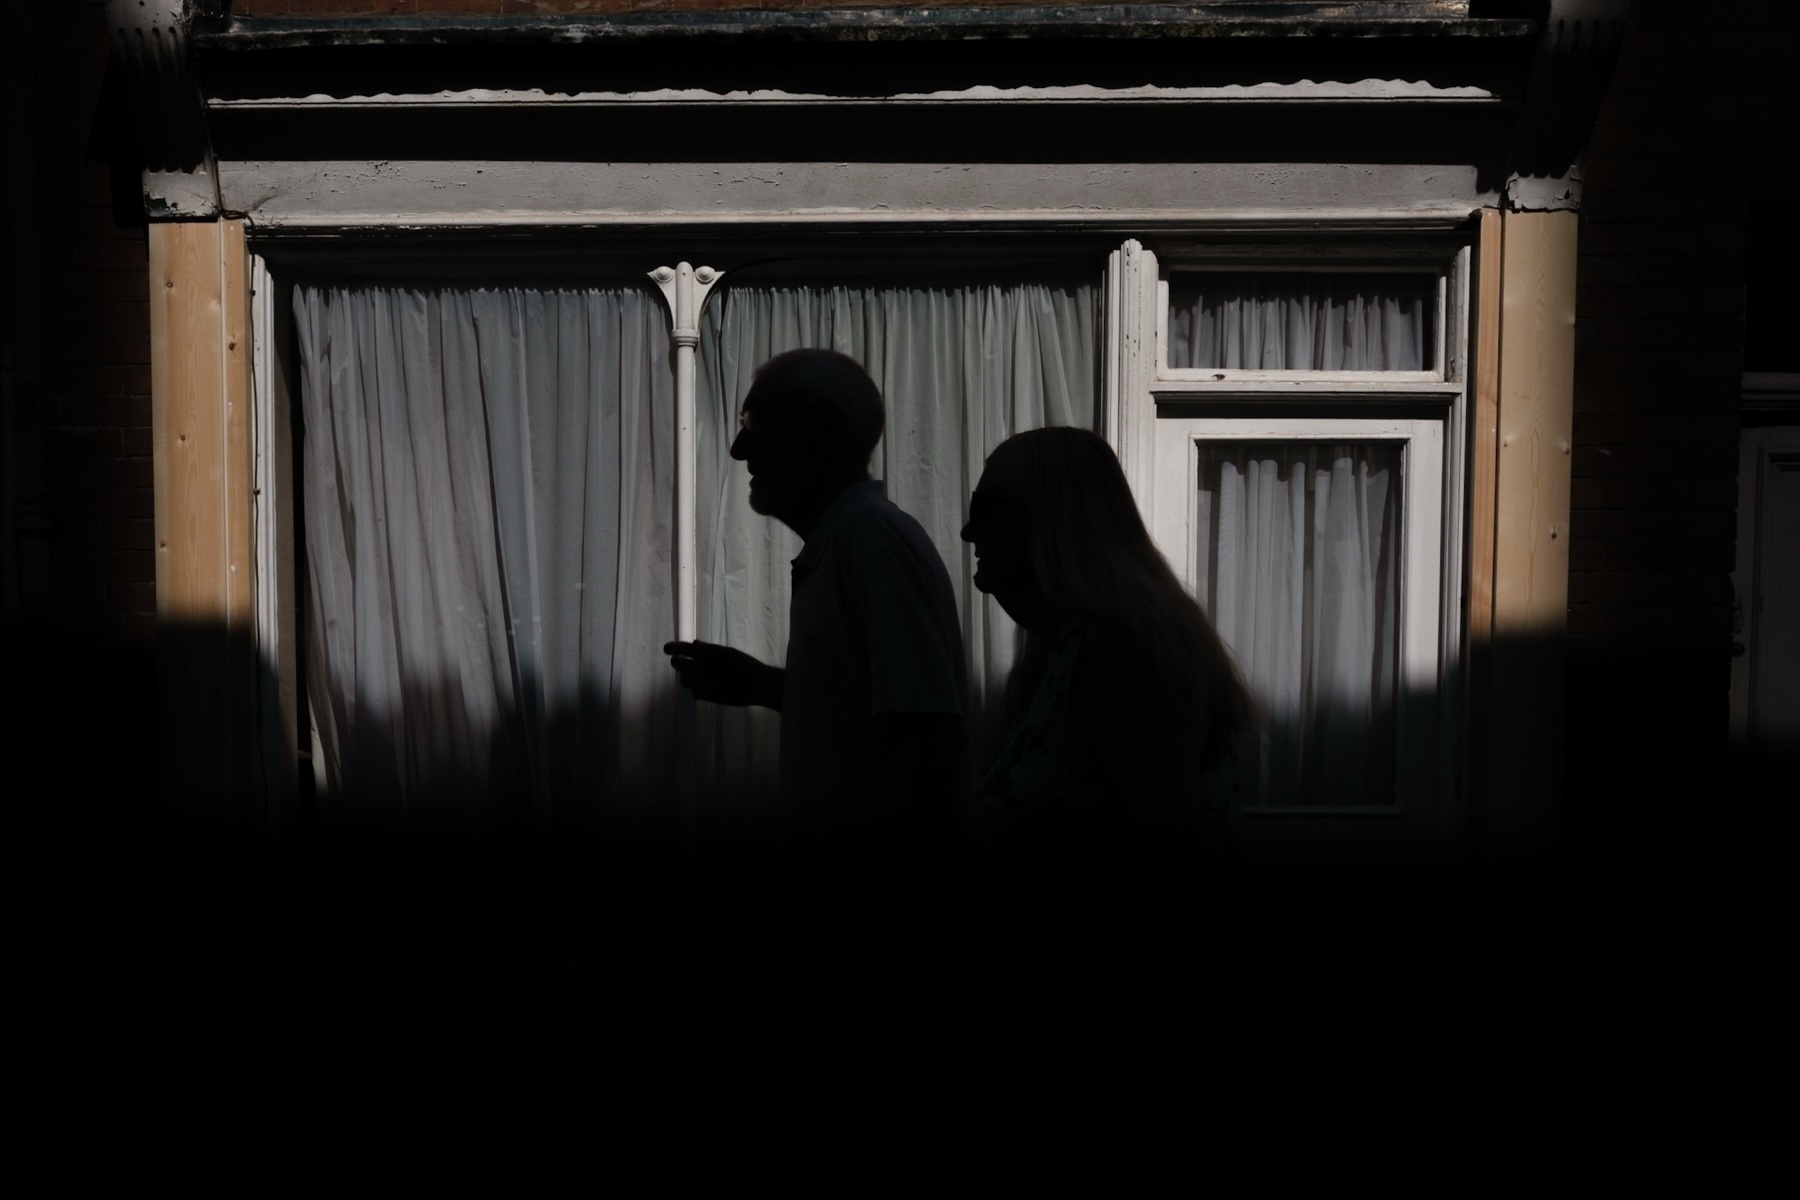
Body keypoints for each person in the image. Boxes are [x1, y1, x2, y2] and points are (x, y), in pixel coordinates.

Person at [664, 349, 967, 966]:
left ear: (823, 428)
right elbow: (880, 712)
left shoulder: (869, 542)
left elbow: (929, 733)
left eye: (755, 422)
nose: (739, 451)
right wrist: (768, 687)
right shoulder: (850, 542)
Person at [958, 426, 1251, 962]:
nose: (967, 531)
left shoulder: (1122, 646)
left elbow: (1166, 854)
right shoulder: (1064, 648)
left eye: (985, 507)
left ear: (1050, 520)